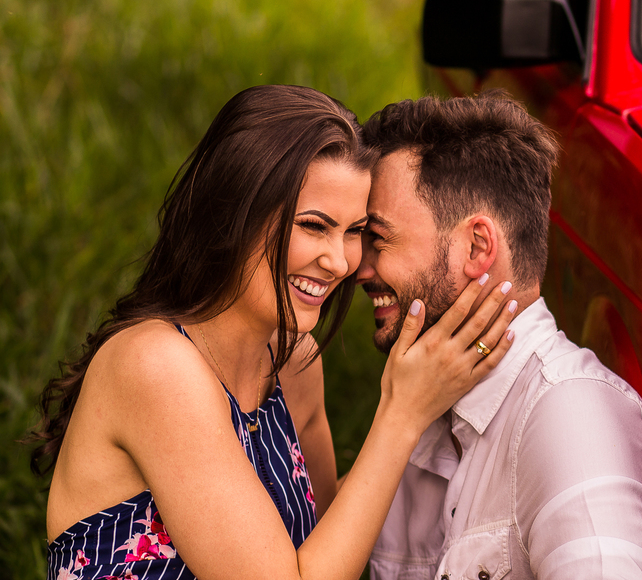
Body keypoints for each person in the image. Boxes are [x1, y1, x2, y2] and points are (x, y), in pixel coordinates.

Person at [31, 85, 520, 580]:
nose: (340, 262)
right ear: (234, 217)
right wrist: (402, 413)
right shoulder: (156, 366)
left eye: (354, 231)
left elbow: (332, 549)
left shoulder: (294, 363)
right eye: (314, 226)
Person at [357, 90, 642, 580]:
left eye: (378, 239)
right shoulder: (414, 403)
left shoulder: (571, 419)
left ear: (476, 246)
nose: (359, 269)